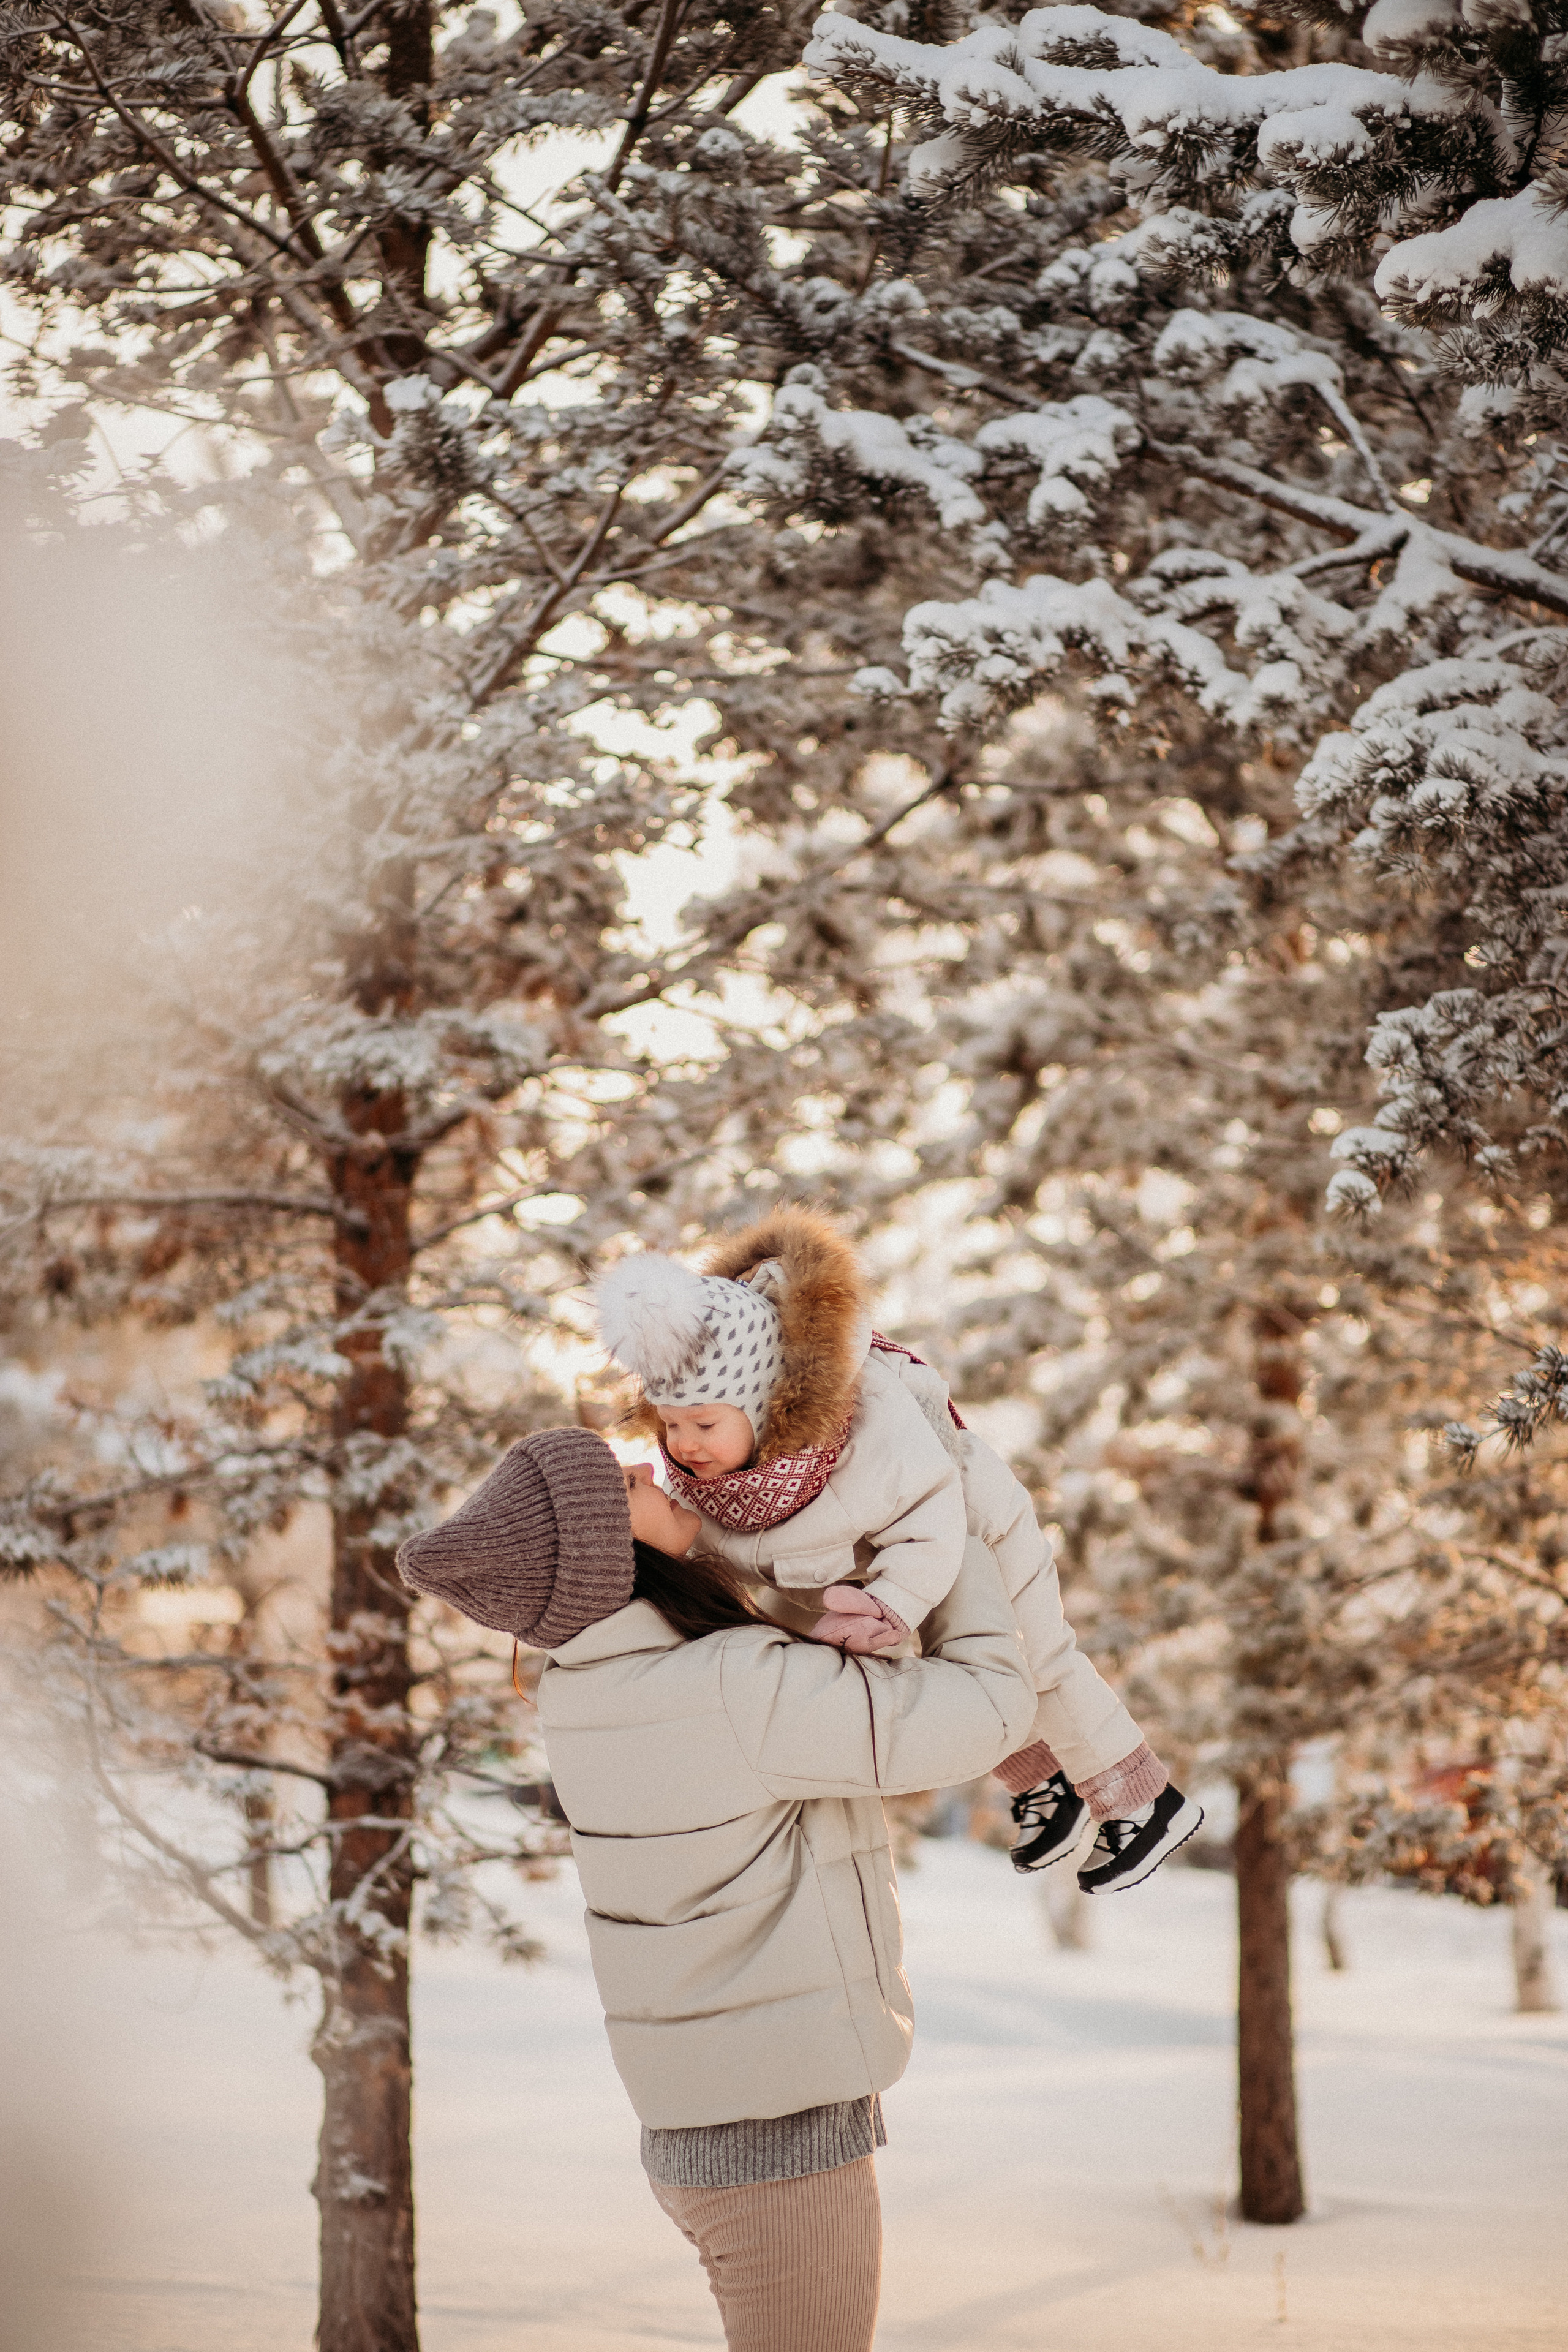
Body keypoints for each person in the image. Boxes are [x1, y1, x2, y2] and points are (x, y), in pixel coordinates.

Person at [398, 1423, 1038, 2352]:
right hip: (773, 2151)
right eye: (625, 1487)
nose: (652, 1473)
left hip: (712, 2135)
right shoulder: (725, 1686)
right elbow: (984, 1714)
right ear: (614, 1559)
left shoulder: (587, 1692)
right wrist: (955, 1536)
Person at [597, 1205, 1202, 1894]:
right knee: (962, 1671)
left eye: (703, 1422)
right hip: (892, 1563)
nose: (682, 1444)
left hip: (970, 1524)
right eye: (670, 1424)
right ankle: (1048, 1785)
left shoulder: (869, 1436)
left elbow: (928, 1519)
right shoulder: (711, 1484)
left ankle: (1143, 1802)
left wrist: (891, 1602)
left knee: (1038, 1659)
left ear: (763, 1404)